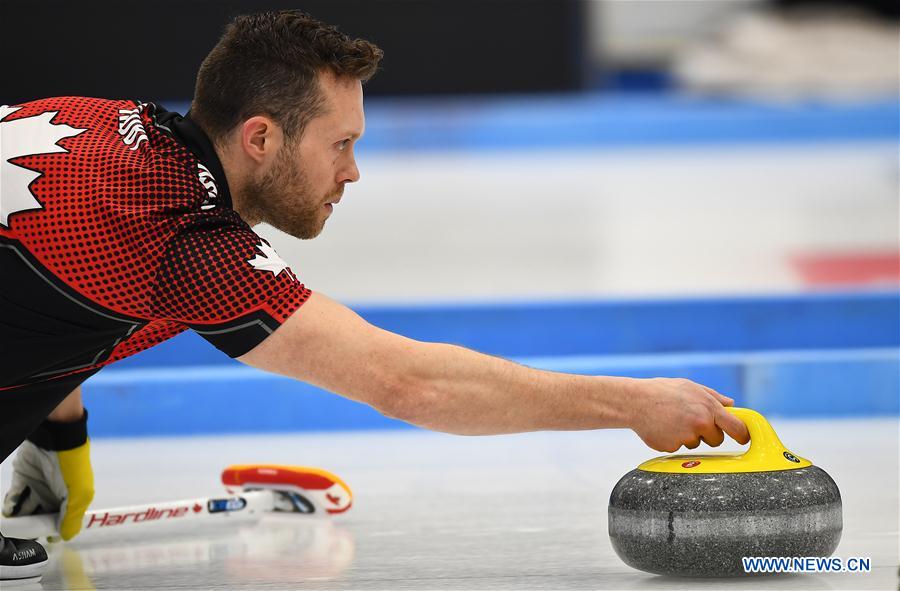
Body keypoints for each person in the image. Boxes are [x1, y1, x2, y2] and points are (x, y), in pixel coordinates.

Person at [0, 10, 750, 582]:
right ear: (260, 138)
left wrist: (53, 425)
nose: (353, 172)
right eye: (341, 144)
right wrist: (633, 404)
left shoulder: (93, 121)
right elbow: (408, 381)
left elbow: (58, 279)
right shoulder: (186, 240)